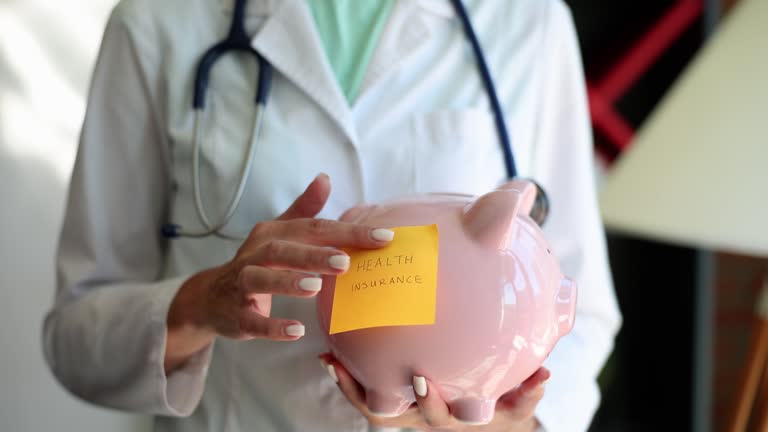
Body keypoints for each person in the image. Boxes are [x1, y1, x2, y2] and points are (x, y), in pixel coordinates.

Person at [43, 0, 621, 431]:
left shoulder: (525, 21)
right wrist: (201, 303)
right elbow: (74, 338)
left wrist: (512, 425)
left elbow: (581, 309)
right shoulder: (159, 23)